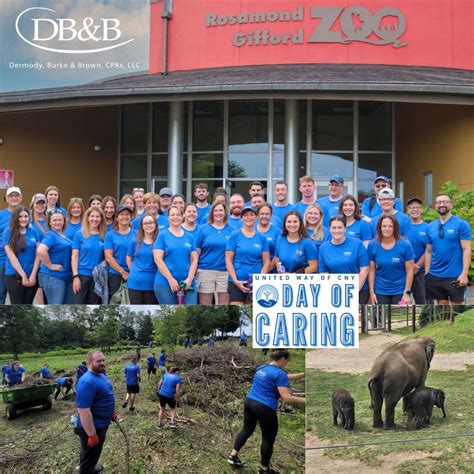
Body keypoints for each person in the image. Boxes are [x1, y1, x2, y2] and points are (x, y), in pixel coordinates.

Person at [228, 349, 305, 473]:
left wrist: (302, 374)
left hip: (250, 402)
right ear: (282, 359)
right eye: (286, 361)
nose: (286, 364)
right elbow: (287, 398)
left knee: (246, 429)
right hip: (265, 407)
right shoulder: (279, 374)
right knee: (268, 439)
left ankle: (233, 455)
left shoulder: (262, 368)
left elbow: (280, 377)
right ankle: (264, 470)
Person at [424, 193, 472, 305]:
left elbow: (467, 250)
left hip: (455, 275)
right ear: (435, 206)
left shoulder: (461, 224)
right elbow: (428, 251)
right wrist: (427, 272)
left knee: (456, 308)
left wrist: (464, 273)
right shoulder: (430, 226)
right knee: (442, 307)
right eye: (438, 202)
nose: (442, 204)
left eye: (445, 202)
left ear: (451, 205)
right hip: (435, 275)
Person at [75, 351, 116, 474]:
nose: (102, 363)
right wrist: (92, 435)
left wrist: (111, 412)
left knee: (92, 453)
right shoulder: (86, 382)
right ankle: (88, 470)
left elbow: (104, 396)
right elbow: (83, 411)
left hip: (101, 424)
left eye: (103, 360)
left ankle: (91, 467)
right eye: (98, 361)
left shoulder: (101, 375)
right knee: (89, 456)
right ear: (90, 362)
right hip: (93, 428)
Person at [318, 216, 370, 303]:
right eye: (334, 228)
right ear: (329, 229)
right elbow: (324, 273)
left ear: (345, 228)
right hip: (336, 291)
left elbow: (364, 269)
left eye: (340, 227)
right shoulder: (323, 248)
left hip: (359, 290)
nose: (337, 230)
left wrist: (354, 290)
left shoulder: (357, 243)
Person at [153, 205, 198, 304]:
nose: (175, 217)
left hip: (187, 281)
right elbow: (157, 259)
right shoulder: (162, 235)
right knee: (170, 312)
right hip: (165, 282)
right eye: (172, 215)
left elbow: (194, 260)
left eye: (178, 214)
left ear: (182, 217)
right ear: (168, 217)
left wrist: (190, 279)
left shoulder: (190, 237)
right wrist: (170, 279)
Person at [226, 207, 270, 305]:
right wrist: (235, 280)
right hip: (237, 282)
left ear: (256, 217)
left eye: (251, 215)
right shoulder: (234, 235)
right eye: (245, 215)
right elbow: (228, 260)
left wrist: (260, 280)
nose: (249, 218)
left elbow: (266, 262)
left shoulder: (262, 238)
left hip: (256, 283)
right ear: (241, 218)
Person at [368, 215, 415, 305]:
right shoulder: (372, 245)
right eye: (384, 226)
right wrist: (372, 293)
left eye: (390, 226)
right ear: (379, 228)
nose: (387, 229)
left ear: (395, 228)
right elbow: (371, 270)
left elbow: (410, 271)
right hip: (380, 290)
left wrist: (407, 293)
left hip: (400, 291)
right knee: (380, 317)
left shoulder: (405, 245)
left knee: (398, 317)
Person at [195, 201, 232, 304]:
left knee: (224, 306)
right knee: (205, 305)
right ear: (212, 212)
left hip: (225, 272)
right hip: (205, 271)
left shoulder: (232, 230)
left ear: (225, 212)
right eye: (215, 210)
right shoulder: (203, 229)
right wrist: (194, 271)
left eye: (221, 210)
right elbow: (196, 252)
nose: (218, 213)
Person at [3, 206, 40, 304]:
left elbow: (38, 255)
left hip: (31, 275)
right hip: (13, 276)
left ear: (29, 217)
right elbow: (11, 256)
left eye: (26, 216)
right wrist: (23, 275)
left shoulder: (33, 232)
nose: (23, 219)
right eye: (20, 217)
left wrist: (33, 275)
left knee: (28, 305)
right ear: (15, 218)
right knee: (17, 306)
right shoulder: (8, 231)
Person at [37, 211, 73, 304]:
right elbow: (41, 250)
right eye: (55, 220)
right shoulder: (51, 235)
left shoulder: (63, 235)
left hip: (65, 276)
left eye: (60, 220)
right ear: (50, 222)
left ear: (64, 221)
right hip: (53, 276)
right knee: (55, 306)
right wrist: (50, 265)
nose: (58, 222)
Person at [72, 207, 106, 304]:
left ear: (101, 219)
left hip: (97, 277)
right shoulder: (79, 234)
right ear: (87, 217)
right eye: (92, 216)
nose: (94, 219)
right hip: (82, 276)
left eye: (97, 217)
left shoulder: (104, 236)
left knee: (94, 306)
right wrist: (75, 277)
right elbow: (74, 256)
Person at [104, 205, 134, 302]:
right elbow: (108, 257)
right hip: (115, 275)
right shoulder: (110, 235)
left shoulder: (137, 234)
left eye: (127, 214)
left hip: (133, 273)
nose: (125, 217)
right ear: (116, 217)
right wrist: (123, 272)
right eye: (121, 214)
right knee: (115, 302)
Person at [126, 214, 158, 304]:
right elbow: (128, 257)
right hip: (135, 283)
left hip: (152, 283)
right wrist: (132, 271)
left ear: (155, 224)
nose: (148, 225)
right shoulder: (135, 240)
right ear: (142, 226)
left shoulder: (159, 240)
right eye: (145, 223)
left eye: (151, 222)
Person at [0, 186, 23, 304]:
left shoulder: (25, 214)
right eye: (11, 196)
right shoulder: (1, 215)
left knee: (19, 297)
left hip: (22, 262)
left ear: (21, 198)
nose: (14, 198)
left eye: (16, 195)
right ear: (6, 199)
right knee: (0, 293)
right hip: (2, 260)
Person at [406, 198, 429, 304]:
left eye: (418, 207)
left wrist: (417, 266)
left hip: (421, 272)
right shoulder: (402, 227)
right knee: (403, 301)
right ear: (408, 209)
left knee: (424, 302)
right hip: (403, 272)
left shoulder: (428, 228)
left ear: (422, 210)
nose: (415, 210)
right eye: (412, 207)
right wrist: (409, 267)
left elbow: (429, 250)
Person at [256, 204, 281, 272]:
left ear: (271, 216)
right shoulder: (251, 230)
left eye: (267, 214)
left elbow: (278, 254)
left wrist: (266, 270)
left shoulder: (277, 232)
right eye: (262, 214)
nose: (264, 216)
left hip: (271, 271)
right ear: (257, 215)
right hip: (254, 271)